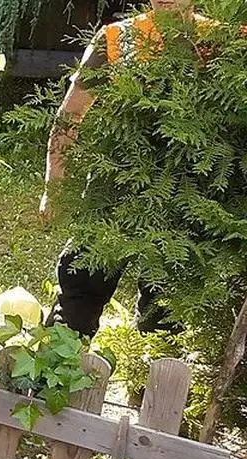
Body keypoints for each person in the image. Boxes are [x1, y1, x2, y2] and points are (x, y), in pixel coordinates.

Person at [41, 0, 208, 337]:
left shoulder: (220, 41)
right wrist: (54, 186)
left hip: (189, 188)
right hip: (114, 181)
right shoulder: (118, 38)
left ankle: (156, 359)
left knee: (166, 308)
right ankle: (60, 356)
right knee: (83, 280)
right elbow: (70, 116)